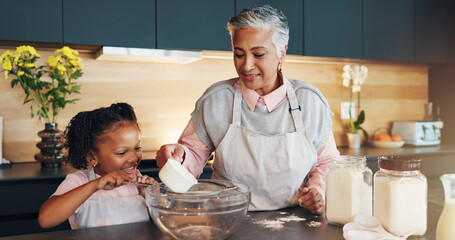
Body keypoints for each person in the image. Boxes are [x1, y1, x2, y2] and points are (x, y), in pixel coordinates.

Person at [156, 5, 340, 213]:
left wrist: (318, 190)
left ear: (282, 52)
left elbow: (327, 162)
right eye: (239, 54)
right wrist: (177, 158)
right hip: (229, 220)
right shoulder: (217, 100)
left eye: (258, 54)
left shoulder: (310, 102)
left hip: (296, 222)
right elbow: (192, 159)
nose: (246, 66)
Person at [38, 103, 157, 229]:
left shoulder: (138, 182)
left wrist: (153, 198)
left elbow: (165, 223)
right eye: (122, 153)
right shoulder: (80, 181)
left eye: (137, 147)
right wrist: (95, 185)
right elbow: (45, 219)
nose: (134, 158)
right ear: (92, 157)